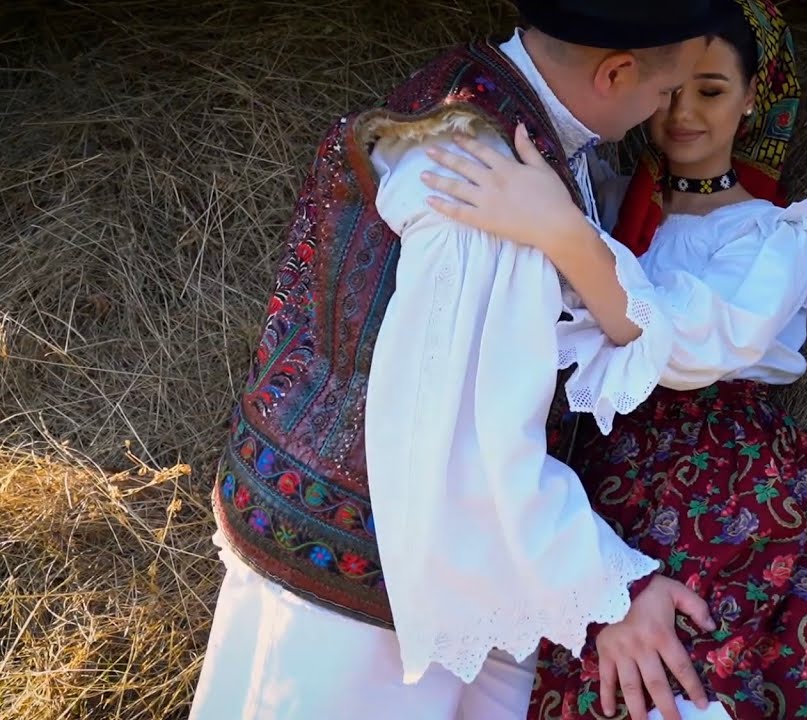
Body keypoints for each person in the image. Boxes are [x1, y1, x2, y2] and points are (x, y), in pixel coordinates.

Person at [189, 2, 739, 719]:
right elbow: (466, 439)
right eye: (663, 92)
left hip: (306, 516)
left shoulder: (470, 88)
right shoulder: (487, 190)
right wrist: (615, 590)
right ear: (615, 73)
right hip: (365, 588)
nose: (662, 113)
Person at [418, 0, 807, 718]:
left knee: (686, 676)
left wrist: (562, 234)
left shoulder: (776, 237)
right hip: (598, 470)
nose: (684, 113)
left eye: (712, 91)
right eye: (673, 91)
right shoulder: (602, 203)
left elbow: (688, 347)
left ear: (753, 97)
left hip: (721, 473)